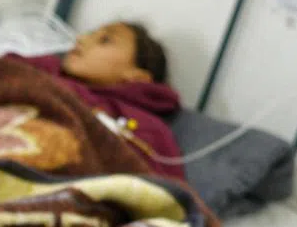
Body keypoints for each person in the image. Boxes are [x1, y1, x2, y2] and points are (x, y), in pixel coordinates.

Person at [11, 21, 186, 179]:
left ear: (136, 76)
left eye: (105, 40)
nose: (81, 39)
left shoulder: (146, 126)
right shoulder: (36, 69)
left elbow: (160, 192)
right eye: (89, 34)